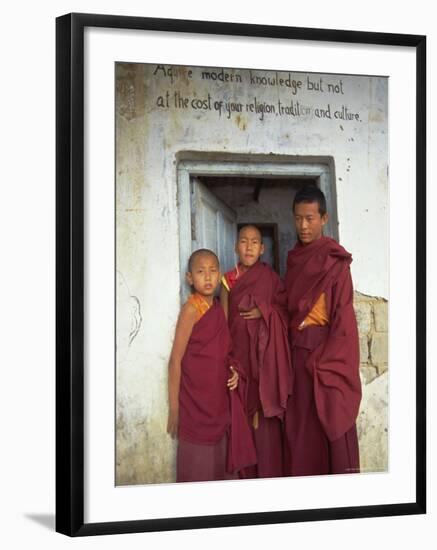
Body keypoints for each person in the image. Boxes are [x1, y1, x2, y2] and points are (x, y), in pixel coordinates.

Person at [284, 185, 362, 476]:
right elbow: (287, 306)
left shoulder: (335, 262)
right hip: (296, 354)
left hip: (324, 354)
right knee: (301, 429)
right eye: (298, 218)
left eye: (310, 218)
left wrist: (327, 360)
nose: (303, 226)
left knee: (330, 416)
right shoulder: (294, 260)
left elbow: (342, 316)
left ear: (324, 218)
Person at [167, 248, 256, 482]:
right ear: (190, 278)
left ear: (219, 276)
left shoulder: (218, 308)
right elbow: (176, 359)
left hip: (219, 398)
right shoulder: (191, 310)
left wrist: (235, 371)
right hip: (196, 402)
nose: (207, 277)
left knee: (221, 461)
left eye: (213, 271)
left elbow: (225, 351)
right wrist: (174, 408)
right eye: (200, 272)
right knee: (199, 466)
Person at [220, 225, 293, 479]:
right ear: (235, 247)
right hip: (240, 359)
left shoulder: (271, 279)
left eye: (254, 242)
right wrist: (228, 360)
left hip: (266, 360)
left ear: (262, 249)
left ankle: (271, 473)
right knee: (241, 412)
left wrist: (266, 311)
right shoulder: (227, 280)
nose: (249, 246)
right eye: (243, 241)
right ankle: (247, 476)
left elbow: (285, 312)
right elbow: (224, 323)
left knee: (266, 415)